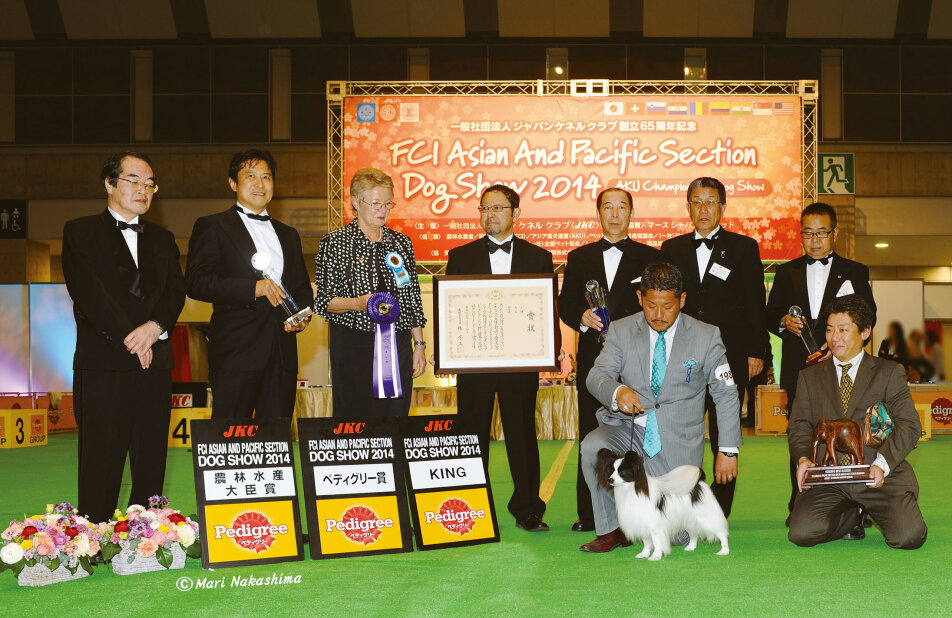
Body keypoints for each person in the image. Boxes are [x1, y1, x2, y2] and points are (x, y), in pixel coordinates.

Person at [579, 262, 742, 552]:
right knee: (593, 446)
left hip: (676, 439)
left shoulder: (707, 336)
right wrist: (618, 390)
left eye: (667, 306)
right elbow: (596, 376)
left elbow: (726, 393)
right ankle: (612, 530)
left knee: (677, 536)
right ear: (640, 298)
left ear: (682, 300)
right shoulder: (621, 330)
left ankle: (648, 523)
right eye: (651, 305)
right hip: (629, 428)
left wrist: (728, 449)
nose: (658, 315)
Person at [63, 151, 185, 522]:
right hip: (104, 362)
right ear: (109, 184)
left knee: (150, 457)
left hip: (154, 364)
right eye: (134, 180)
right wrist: (132, 337)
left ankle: (149, 535)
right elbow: (88, 292)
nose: (143, 190)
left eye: (150, 184)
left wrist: (153, 329)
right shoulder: (80, 231)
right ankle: (93, 537)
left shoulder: (163, 238)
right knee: (101, 457)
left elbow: (174, 293)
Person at [446, 184, 553, 532]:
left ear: (515, 214)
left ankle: (528, 509)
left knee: (522, 436)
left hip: (518, 366)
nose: (489, 214)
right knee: (471, 435)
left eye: (497, 208)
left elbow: (543, 311)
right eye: (484, 208)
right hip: (474, 367)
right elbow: (452, 313)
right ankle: (468, 507)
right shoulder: (459, 256)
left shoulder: (539, 257)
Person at [660, 177, 766, 518]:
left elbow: (755, 303)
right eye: (696, 201)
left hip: (730, 356)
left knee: (725, 431)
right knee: (681, 431)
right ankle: (679, 505)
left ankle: (718, 511)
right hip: (683, 357)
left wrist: (757, 351)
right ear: (687, 206)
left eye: (710, 201)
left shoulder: (744, 248)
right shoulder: (671, 249)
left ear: (723, 206)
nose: (703, 209)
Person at [765, 201, 876, 522]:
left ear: (834, 233)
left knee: (849, 434)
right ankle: (800, 502)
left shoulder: (855, 271)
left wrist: (839, 340)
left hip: (844, 366)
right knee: (802, 433)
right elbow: (769, 315)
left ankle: (855, 502)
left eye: (821, 233)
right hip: (799, 370)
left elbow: (869, 316)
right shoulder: (785, 272)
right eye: (807, 234)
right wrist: (784, 320)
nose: (814, 240)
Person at [557, 187, 660, 532]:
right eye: (608, 207)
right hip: (593, 361)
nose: (615, 214)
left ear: (632, 213)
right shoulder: (578, 256)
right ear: (598, 212)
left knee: (638, 433)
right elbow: (566, 304)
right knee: (592, 432)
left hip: (636, 358)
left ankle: (643, 506)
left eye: (622, 207)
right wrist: (581, 318)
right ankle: (590, 513)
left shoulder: (650, 257)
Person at [788, 295, 927, 550]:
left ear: (865, 332)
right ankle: (853, 514)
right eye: (830, 330)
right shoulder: (809, 377)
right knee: (802, 533)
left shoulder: (889, 373)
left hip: (878, 475)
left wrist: (882, 464)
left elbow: (910, 424)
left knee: (908, 537)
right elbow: (799, 425)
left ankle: (870, 505)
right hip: (829, 477)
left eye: (843, 329)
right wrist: (804, 459)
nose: (834, 337)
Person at [185, 149, 313, 420]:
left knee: (276, 441)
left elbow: (301, 287)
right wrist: (253, 288)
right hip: (236, 354)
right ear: (233, 183)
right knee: (230, 440)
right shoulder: (212, 226)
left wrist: (301, 316)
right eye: (250, 176)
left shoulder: (289, 234)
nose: (259, 184)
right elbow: (196, 282)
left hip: (282, 354)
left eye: (266, 177)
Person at [313, 168, 427, 416]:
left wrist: (419, 345)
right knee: (355, 421)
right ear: (355, 201)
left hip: (397, 344)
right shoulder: (335, 242)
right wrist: (358, 303)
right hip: (352, 343)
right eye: (375, 203)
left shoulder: (402, 243)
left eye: (388, 203)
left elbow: (411, 299)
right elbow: (323, 302)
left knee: (395, 417)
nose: (382, 210)